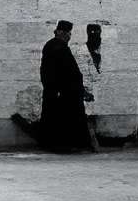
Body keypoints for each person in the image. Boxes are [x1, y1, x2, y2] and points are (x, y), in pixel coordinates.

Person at [21, 19, 96, 152]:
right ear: (60, 32)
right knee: (61, 118)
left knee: (62, 117)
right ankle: (62, 144)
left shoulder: (56, 46)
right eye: (68, 33)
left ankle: (63, 144)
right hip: (62, 92)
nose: (69, 36)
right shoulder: (56, 47)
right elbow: (55, 71)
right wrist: (57, 89)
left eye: (70, 34)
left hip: (65, 91)